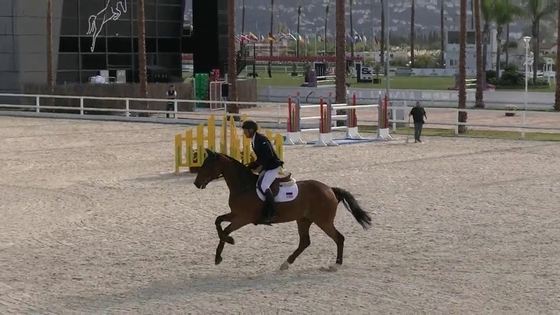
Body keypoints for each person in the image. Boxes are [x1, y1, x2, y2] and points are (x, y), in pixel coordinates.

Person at [242, 120, 284, 224]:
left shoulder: (261, 140)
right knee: (256, 183)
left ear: (251, 130)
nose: (244, 133)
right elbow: (262, 157)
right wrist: (253, 164)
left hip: (273, 166)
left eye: (245, 131)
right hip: (267, 167)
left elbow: (268, 156)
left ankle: (273, 212)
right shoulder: (254, 140)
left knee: (264, 185)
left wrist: (257, 165)